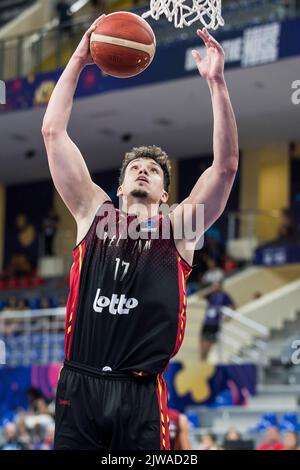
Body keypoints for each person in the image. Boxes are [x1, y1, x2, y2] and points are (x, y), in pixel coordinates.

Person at [41, 15, 239, 450]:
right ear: (120, 185)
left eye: (152, 170)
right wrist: (80, 56)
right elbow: (53, 133)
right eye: (136, 168)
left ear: (165, 191)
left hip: (140, 393)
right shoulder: (93, 213)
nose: (144, 172)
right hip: (81, 384)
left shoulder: (179, 230)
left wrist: (217, 85)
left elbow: (224, 168)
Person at [200, 281, 235, 360]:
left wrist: (227, 316)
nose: (215, 287)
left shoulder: (224, 295)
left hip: (215, 323)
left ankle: (204, 359)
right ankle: (202, 359)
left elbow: (232, 305)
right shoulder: (210, 294)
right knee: (202, 343)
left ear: (220, 286)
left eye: (216, 286)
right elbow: (200, 297)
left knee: (208, 344)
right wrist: (209, 290)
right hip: (206, 322)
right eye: (213, 286)